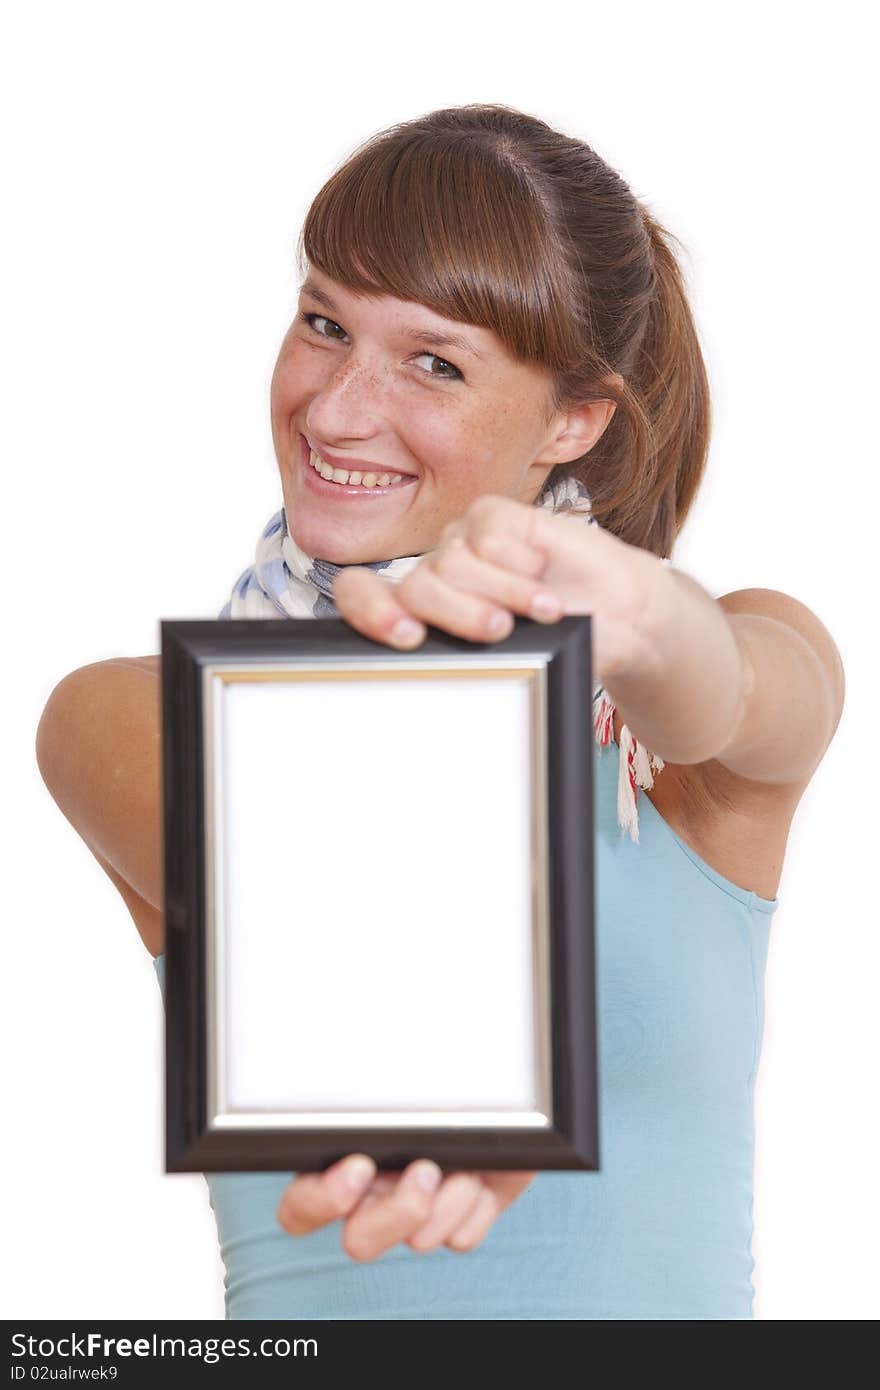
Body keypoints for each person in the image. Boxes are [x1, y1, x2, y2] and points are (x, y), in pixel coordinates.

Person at [35, 103, 845, 1320]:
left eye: (435, 361)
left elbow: (740, 692)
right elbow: (299, 878)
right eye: (323, 324)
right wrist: (454, 1047)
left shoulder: (690, 712)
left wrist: (633, 616)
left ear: (574, 420)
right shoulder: (129, 712)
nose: (335, 409)